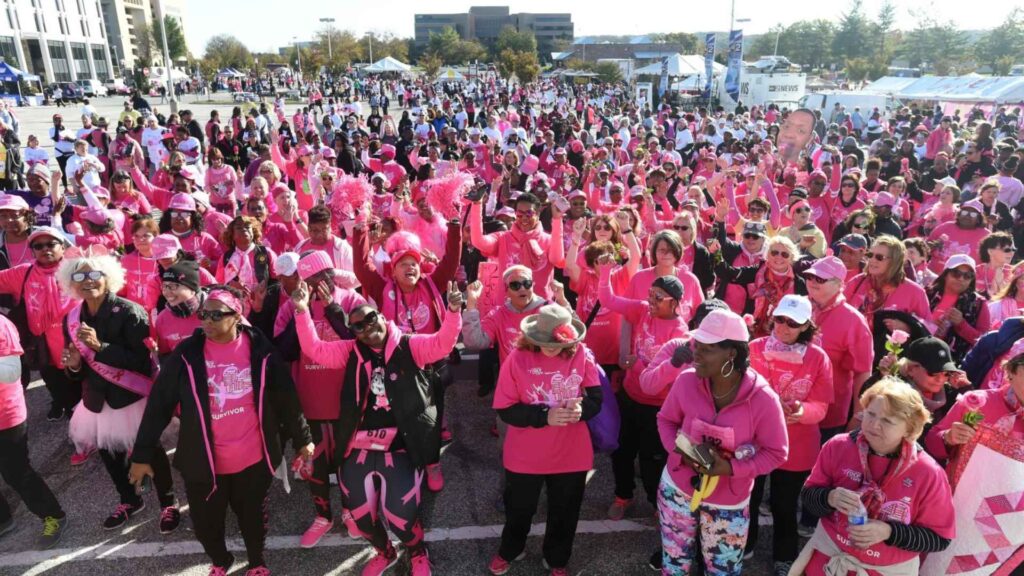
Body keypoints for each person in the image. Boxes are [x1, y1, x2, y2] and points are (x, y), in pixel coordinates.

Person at [130, 286, 314, 576]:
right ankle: (220, 560)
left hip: (252, 459)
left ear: (237, 316)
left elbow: (286, 396)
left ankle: (256, 562)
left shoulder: (261, 350)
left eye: (217, 314)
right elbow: (158, 405)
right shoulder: (186, 354)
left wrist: (304, 438)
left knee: (252, 518)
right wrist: (141, 455)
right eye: (204, 314)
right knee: (205, 524)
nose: (208, 321)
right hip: (203, 462)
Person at [291, 280, 464, 576]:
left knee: (400, 514)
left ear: (383, 317)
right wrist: (301, 311)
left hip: (401, 445)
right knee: (360, 517)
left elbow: (442, 343)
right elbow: (314, 349)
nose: (367, 326)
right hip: (358, 445)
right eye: (357, 325)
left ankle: (417, 552)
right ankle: (385, 552)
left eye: (371, 318)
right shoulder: (350, 351)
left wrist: (453, 310)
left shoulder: (410, 345)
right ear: (353, 331)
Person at [656, 309, 789, 575]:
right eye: (696, 345)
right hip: (677, 490)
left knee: (722, 570)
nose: (696, 354)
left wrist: (730, 469)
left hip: (728, 503)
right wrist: (681, 453)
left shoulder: (763, 399)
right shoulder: (685, 381)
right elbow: (665, 420)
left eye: (706, 349)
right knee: (674, 566)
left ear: (732, 353)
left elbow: (776, 453)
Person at [58, 249, 180, 532]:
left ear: (108, 277)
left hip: (130, 397)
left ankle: (168, 503)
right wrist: (74, 366)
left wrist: (101, 347)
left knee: (149, 451)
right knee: (109, 455)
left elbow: (141, 361)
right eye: (79, 275)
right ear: (71, 282)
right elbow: (76, 370)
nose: (87, 280)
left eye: (94, 274)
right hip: (96, 399)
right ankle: (129, 500)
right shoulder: (73, 318)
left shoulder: (129, 312)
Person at [794, 377, 955, 575]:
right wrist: (829, 497)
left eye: (887, 420)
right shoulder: (838, 446)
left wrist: (888, 532)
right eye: (870, 414)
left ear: (910, 428)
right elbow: (808, 499)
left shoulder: (928, 472)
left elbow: (939, 538)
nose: (874, 425)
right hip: (828, 561)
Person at [488, 304, 603, 576]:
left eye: (556, 343)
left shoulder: (583, 355)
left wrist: (581, 410)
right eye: (543, 342)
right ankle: (511, 549)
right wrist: (544, 416)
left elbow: (597, 398)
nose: (549, 348)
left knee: (565, 512)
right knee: (519, 509)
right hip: (525, 455)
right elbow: (505, 408)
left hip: (571, 453)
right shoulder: (516, 358)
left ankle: (557, 559)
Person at [747, 295, 834, 575]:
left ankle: (784, 556)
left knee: (785, 505)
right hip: (754, 439)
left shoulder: (818, 358)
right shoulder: (754, 348)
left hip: (795, 444)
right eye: (780, 319)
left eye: (793, 323)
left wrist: (801, 412)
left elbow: (820, 406)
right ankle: (744, 543)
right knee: (748, 496)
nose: (784, 327)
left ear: (806, 326)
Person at [0, 313, 68, 548]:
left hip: (5, 415)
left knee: (16, 472)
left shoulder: (1, 325)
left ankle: (54, 516)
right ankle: (3, 520)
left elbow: (11, 372)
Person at [927, 255, 990, 364]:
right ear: (946, 274)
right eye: (956, 273)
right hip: (918, 350)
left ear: (972, 279)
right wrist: (929, 324)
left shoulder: (978, 304)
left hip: (950, 363)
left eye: (967, 276)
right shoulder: (928, 293)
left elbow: (984, 341)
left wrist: (961, 324)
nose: (961, 279)